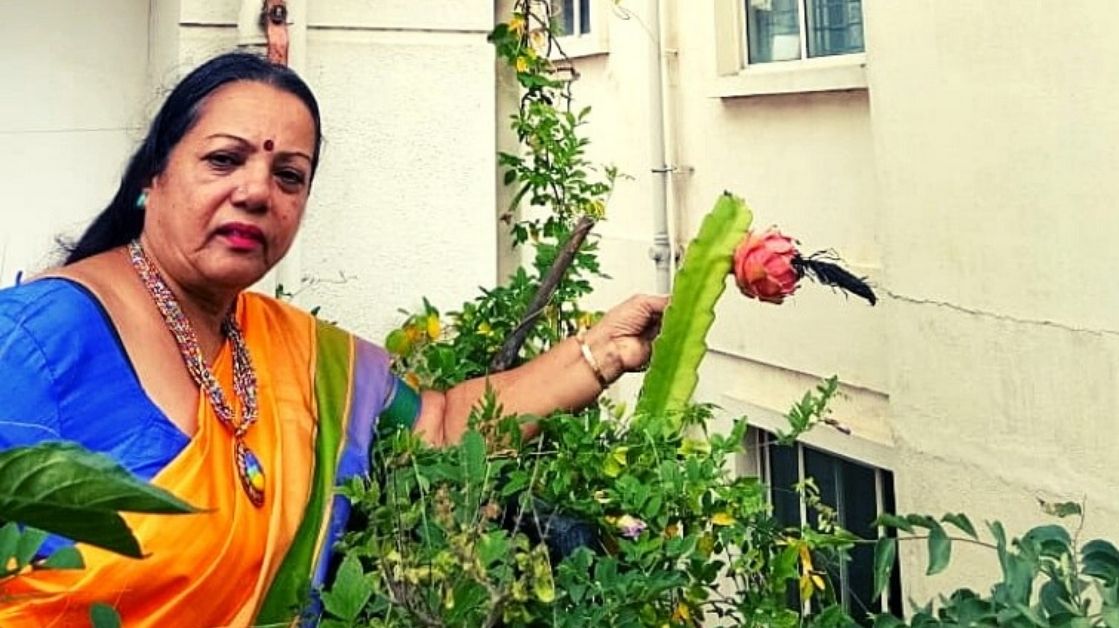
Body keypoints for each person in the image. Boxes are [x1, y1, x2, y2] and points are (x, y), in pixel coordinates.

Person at [0, 52, 665, 626]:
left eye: (290, 175)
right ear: (154, 177)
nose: (258, 191)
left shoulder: (296, 352)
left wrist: (603, 350)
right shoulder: (34, 342)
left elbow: (439, 427)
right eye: (224, 159)